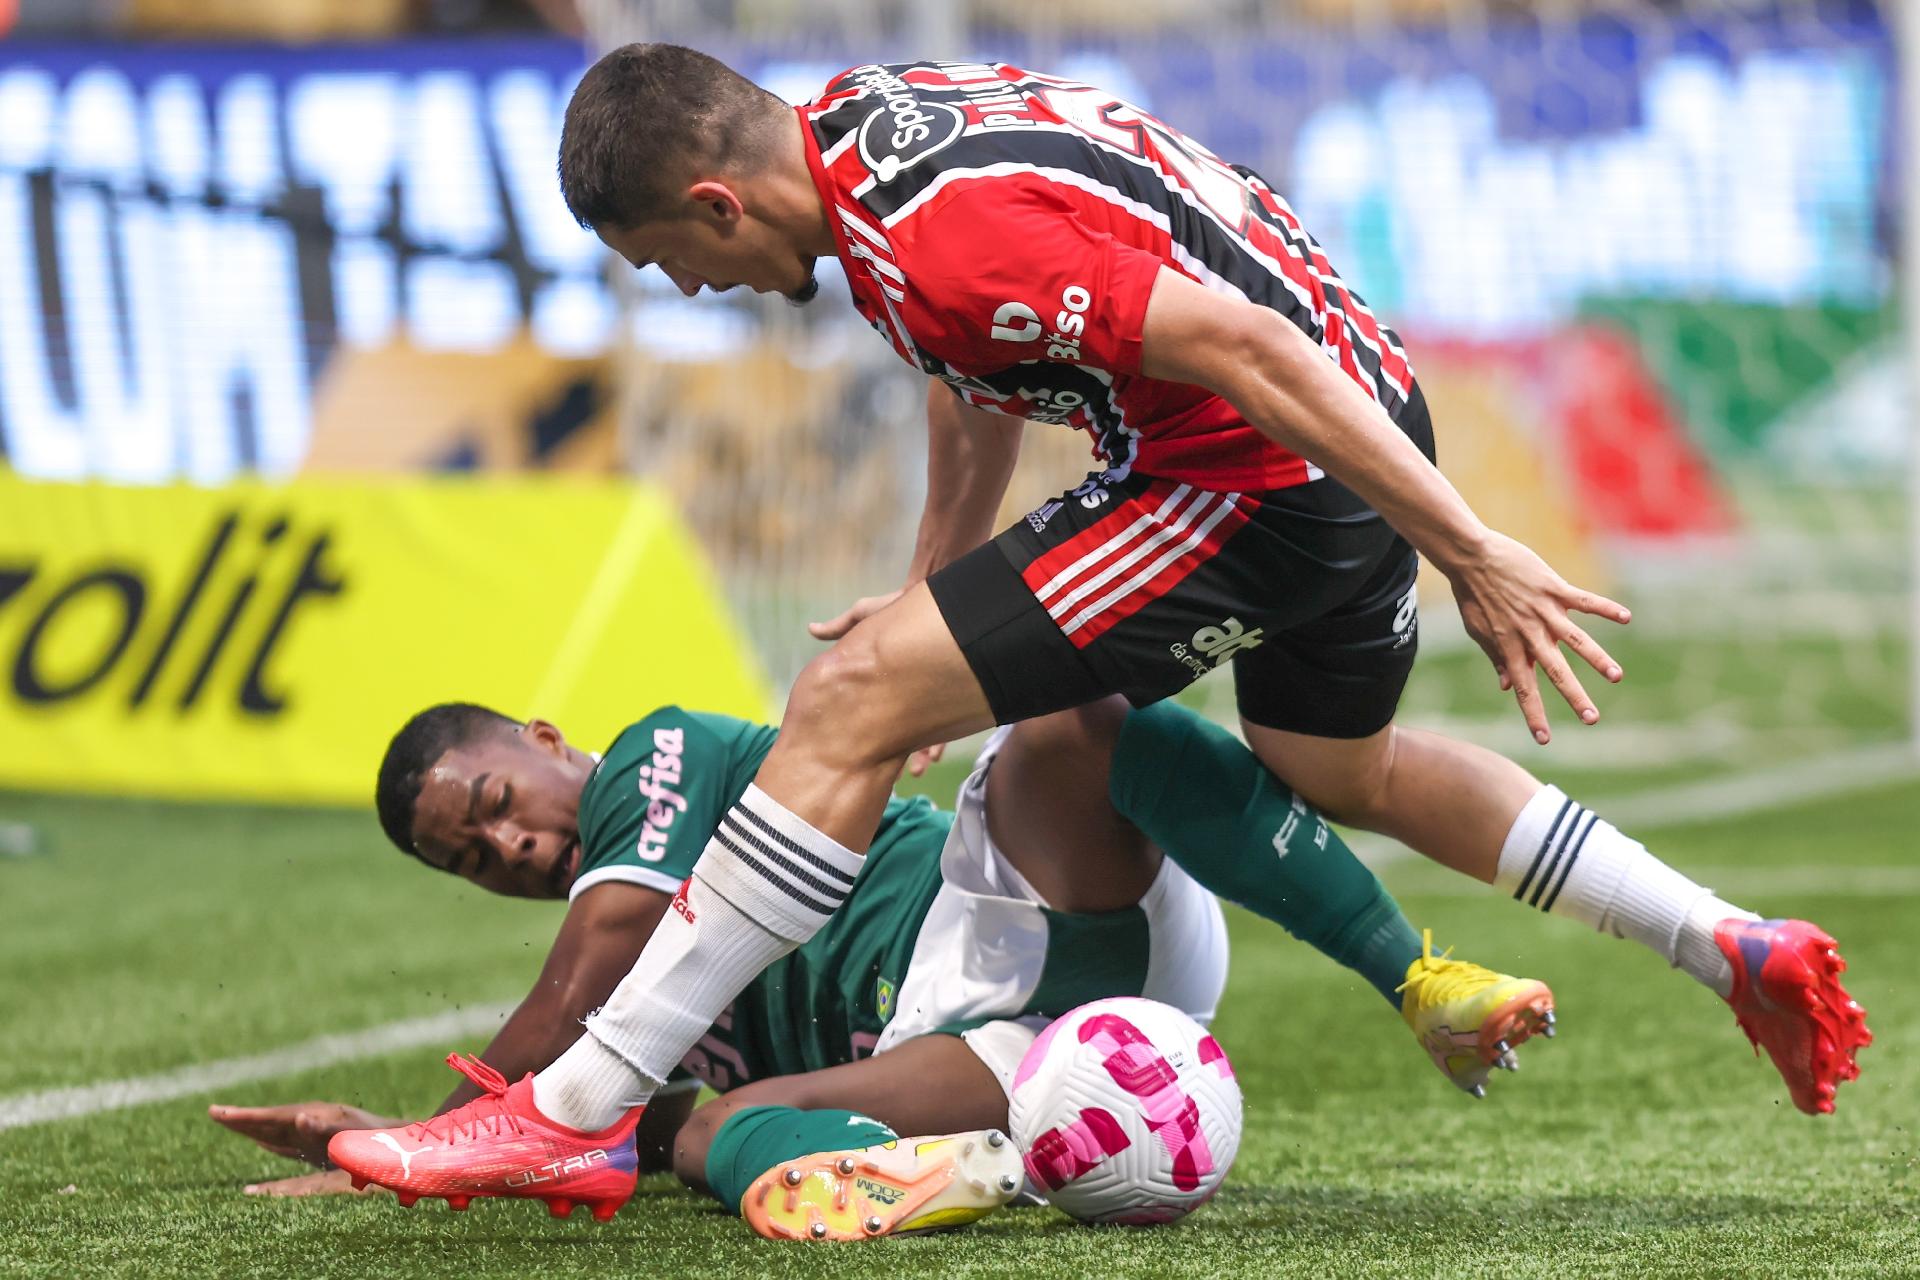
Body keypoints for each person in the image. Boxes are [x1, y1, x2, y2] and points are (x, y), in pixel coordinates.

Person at [332, 47, 1870, 1212]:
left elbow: (1234, 342)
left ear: (717, 200)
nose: (705, 288)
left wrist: (1465, 545)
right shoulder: (872, 136)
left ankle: (583, 1100)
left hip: (1259, 461)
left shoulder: (937, 239)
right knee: (1342, 768)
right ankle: (1718, 938)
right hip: (1351, 409)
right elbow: (966, 364)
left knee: (846, 698)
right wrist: (937, 584)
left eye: (682, 261)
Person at [250, 697, 1534, 1236]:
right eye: (472, 855)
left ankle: (1411, 974)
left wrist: (430, 1138)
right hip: (991, 1062)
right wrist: (402, 1154)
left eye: (493, 799)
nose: (508, 840)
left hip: (1012, 906)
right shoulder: (631, 1033)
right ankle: (952, 1175)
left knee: (1074, 721)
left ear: (541, 739)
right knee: (705, 1126)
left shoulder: (657, 757)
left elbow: (602, 942)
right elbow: (597, 1136)